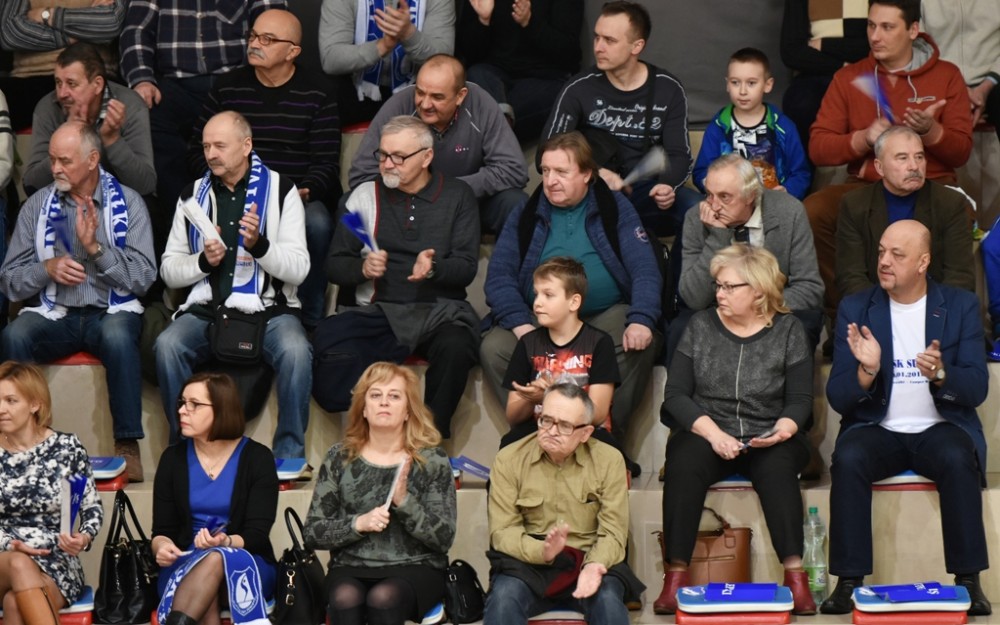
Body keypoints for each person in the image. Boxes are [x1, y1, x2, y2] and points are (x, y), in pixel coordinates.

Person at [821, 220, 990, 616]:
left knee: (957, 456)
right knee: (849, 457)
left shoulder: (960, 305)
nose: (884, 261)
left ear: (923, 262)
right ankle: (848, 581)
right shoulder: (856, 308)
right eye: (882, 251)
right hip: (877, 428)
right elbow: (838, 396)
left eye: (897, 255)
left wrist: (940, 374)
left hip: (940, 427)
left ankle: (969, 580)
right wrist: (867, 370)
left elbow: (976, 389)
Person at [482, 130, 661, 475]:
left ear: (587, 174)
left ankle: (604, 439)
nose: (550, 181)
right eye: (546, 171)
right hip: (540, 320)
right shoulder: (526, 212)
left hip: (603, 315)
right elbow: (499, 277)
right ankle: (536, 435)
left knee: (633, 341)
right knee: (494, 347)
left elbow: (645, 268)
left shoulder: (613, 207)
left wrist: (642, 318)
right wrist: (522, 326)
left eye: (561, 172)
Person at [655, 245, 815, 615]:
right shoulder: (700, 325)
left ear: (758, 291)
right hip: (708, 431)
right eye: (718, 285)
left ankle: (796, 577)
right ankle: (675, 577)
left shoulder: (788, 329)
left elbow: (800, 400)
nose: (720, 294)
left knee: (778, 468)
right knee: (682, 464)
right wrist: (714, 435)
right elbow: (676, 394)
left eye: (730, 287)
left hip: (769, 433)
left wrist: (783, 430)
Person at [0, 120, 156, 482]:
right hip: (55, 314)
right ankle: (22, 440)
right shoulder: (37, 206)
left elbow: (145, 277)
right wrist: (46, 269)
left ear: (92, 160)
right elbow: (9, 281)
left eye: (65, 161)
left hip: (111, 312)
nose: (55, 168)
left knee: (118, 336)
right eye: (52, 159)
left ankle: (127, 444)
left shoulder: (129, 202)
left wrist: (96, 250)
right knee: (14, 335)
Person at [155, 110, 312, 462]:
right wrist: (201, 262)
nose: (210, 154)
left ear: (246, 145)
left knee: (296, 350)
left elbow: (299, 270)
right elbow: (169, 270)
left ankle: (290, 456)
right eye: (206, 146)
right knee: (168, 345)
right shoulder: (191, 196)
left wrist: (260, 246)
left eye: (220, 146)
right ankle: (184, 452)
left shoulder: (281, 190)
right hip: (208, 308)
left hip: (269, 308)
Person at [805, 0, 973, 327]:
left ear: (913, 30)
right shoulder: (849, 77)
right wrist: (863, 138)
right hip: (866, 185)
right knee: (815, 211)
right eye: (871, 25)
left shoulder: (947, 75)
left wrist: (931, 131)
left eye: (887, 27)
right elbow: (818, 148)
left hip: (931, 183)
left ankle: (939, 320)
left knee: (959, 211)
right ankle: (846, 318)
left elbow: (962, 152)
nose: (875, 36)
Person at [314, 116, 480, 439]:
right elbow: (334, 264)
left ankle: (429, 440)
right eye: (383, 155)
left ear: (427, 157)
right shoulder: (362, 196)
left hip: (437, 311)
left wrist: (434, 268)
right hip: (379, 312)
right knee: (328, 339)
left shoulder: (458, 196)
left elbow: (466, 267)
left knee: (457, 345)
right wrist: (362, 269)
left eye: (399, 157)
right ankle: (366, 439)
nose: (388, 164)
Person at [189, 8, 341, 332]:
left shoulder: (319, 91)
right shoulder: (228, 88)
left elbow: (326, 163)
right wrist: (224, 184)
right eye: (253, 36)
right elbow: (197, 150)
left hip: (293, 194)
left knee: (317, 223)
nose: (255, 44)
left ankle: (311, 321)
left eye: (268, 39)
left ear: (292, 52)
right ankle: (212, 309)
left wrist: (304, 191)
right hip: (233, 188)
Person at [303, 362, 457, 625]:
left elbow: (444, 538)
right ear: (364, 408)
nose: (384, 402)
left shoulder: (432, 460)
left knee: (383, 598)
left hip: (416, 566)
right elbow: (313, 532)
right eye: (375, 395)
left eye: (394, 396)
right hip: (351, 565)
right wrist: (358, 524)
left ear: (408, 410)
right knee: (344, 597)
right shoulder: (339, 457)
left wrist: (404, 502)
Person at [483, 383, 643, 625]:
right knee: (503, 599)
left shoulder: (609, 460)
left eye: (565, 426)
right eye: (546, 420)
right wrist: (543, 551)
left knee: (609, 602)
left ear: (585, 433)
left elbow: (613, 532)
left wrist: (595, 564)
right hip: (529, 563)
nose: (552, 431)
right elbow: (502, 532)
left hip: (588, 558)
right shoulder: (509, 459)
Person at [540, 0, 699, 242]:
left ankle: (672, 269)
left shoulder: (668, 89)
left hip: (644, 192)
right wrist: (595, 171)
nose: (598, 47)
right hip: (592, 191)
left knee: (697, 211)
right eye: (596, 37)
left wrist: (668, 186)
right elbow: (548, 148)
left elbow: (679, 154)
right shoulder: (578, 88)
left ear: (637, 46)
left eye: (609, 40)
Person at [119, 0, 286, 216]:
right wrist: (142, 79)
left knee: (254, 127)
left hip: (236, 81)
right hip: (174, 84)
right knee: (152, 118)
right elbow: (136, 31)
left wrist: (262, 78)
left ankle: (244, 218)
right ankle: (183, 219)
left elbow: (276, 25)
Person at [348, 54, 528, 235]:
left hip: (469, 204)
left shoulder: (481, 104)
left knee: (515, 202)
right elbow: (362, 175)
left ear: (460, 96)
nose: (425, 104)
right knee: (349, 204)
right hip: (409, 207)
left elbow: (514, 170)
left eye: (437, 97)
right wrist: (414, 193)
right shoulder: (399, 105)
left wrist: (448, 191)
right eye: (420, 93)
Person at [152, 372, 279, 625]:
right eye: (182, 402)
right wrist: (161, 548)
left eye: (194, 404)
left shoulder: (258, 458)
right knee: (205, 571)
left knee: (215, 558)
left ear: (221, 409)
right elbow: (162, 531)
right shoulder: (172, 459)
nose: (182, 411)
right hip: (185, 561)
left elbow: (257, 534)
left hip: (246, 561)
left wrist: (225, 542)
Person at [672, 153, 824, 360]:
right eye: (709, 195)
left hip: (775, 308)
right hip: (720, 311)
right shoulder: (696, 217)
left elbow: (810, 289)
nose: (714, 206)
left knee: (803, 326)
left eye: (725, 197)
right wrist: (717, 237)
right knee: (680, 328)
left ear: (750, 195)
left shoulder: (789, 211)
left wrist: (752, 307)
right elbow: (693, 299)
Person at [0, 361, 103, 625]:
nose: (1, 409)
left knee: (14, 604)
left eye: (11, 400)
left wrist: (84, 537)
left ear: (35, 404)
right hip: (3, 557)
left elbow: (91, 507)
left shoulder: (67, 447)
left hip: (56, 561)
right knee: (19, 563)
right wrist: (11, 544)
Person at [835, 126, 974, 307]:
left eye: (919, 157)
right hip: (873, 309)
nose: (914, 166)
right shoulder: (855, 205)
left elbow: (960, 276)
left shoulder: (950, 203)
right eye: (902, 158)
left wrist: (926, 314)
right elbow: (850, 277)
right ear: (879, 167)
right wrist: (885, 314)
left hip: (935, 309)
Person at [501, 256, 619, 444]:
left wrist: (550, 397)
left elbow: (597, 414)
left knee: (610, 448)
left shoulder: (599, 342)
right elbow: (513, 417)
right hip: (540, 430)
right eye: (536, 294)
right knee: (509, 443)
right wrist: (531, 398)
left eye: (548, 295)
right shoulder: (527, 343)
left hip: (584, 433)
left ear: (574, 302)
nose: (537, 303)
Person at [23, 42, 155, 197]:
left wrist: (112, 140)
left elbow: (145, 186)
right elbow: (31, 186)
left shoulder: (130, 105)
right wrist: (68, 136)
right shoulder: (48, 107)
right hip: (63, 198)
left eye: (71, 84)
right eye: (58, 83)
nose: (61, 94)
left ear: (97, 84)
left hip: (118, 199)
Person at [455, 0, 583, 141]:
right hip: (493, 73)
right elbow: (468, 54)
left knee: (487, 114)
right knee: (476, 74)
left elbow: (569, 53)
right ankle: (499, 130)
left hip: (544, 78)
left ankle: (493, 132)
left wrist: (530, 22)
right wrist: (483, 21)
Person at [693, 47, 811, 200]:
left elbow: (801, 173)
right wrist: (717, 190)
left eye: (751, 83)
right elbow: (701, 172)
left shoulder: (783, 126)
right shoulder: (719, 126)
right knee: (696, 211)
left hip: (773, 202)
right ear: (727, 84)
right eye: (735, 82)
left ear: (767, 85)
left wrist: (787, 192)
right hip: (729, 204)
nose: (743, 91)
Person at [318, 0, 454, 125]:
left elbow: (443, 62)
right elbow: (331, 59)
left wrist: (409, 34)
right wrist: (382, 46)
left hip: (418, 93)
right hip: (355, 90)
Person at [0, 0, 125, 130]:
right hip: (29, 77)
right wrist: (82, 33)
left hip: (92, 77)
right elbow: (11, 33)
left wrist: (45, 15)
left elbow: (111, 23)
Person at [779, 0, 870, 160]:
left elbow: (876, 44)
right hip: (815, 73)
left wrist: (825, 44)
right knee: (800, 104)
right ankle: (803, 174)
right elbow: (791, 52)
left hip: (866, 71)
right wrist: (842, 66)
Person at [922, 0, 1000, 141]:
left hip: (993, 78)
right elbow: (918, 45)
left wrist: (986, 87)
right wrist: (957, 87)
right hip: (941, 77)